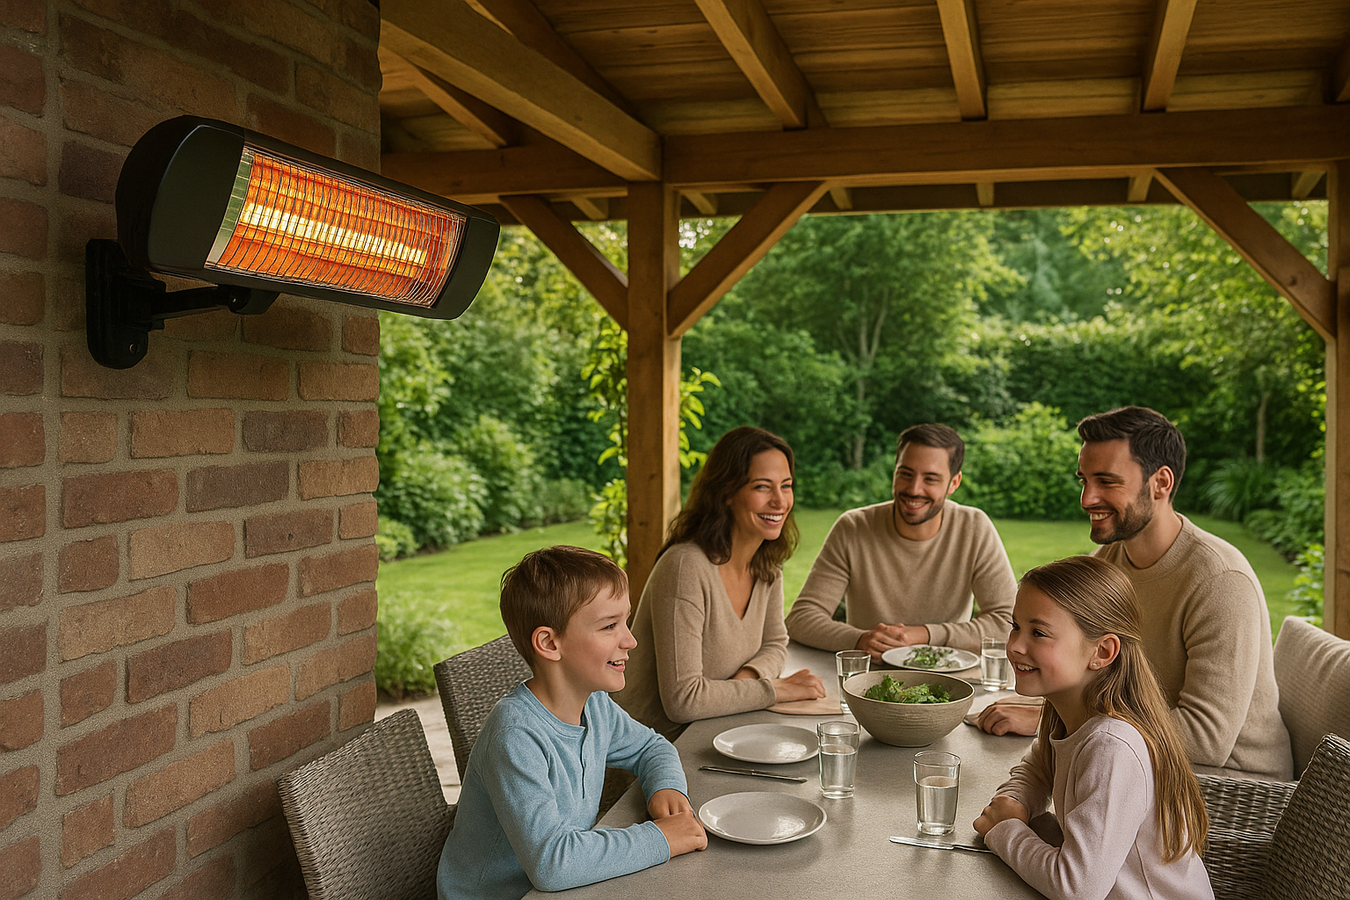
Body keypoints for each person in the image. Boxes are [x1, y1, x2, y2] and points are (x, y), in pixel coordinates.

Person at [977, 406, 1293, 780]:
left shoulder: (1220, 580)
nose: (1087, 499)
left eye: (1107, 482)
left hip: (1224, 788)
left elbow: (1207, 738)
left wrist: (1074, 721)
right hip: (1135, 757)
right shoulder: (1110, 559)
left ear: (1160, 483)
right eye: (1084, 480)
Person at [437, 546, 706, 900]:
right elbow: (554, 864)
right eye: (610, 626)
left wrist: (666, 787)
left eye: (625, 620)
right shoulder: (516, 736)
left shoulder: (594, 704)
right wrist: (661, 837)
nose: (630, 640)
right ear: (550, 643)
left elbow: (651, 747)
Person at [974, 555, 1214, 900]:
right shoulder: (1067, 711)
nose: (1015, 646)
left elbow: (1076, 887)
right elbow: (1037, 766)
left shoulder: (1111, 747)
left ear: (1102, 651)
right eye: (1015, 626)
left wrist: (1004, 829)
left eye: (1038, 632)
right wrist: (1014, 800)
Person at [615, 426, 825, 739]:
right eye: (762, 487)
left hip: (719, 730)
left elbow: (775, 644)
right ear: (726, 492)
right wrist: (772, 690)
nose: (780, 501)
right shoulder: (686, 567)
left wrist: (747, 679)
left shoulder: (767, 567)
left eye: (786, 485)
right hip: (650, 751)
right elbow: (683, 701)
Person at [785, 423, 1016, 658]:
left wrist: (924, 635)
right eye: (905, 474)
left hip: (949, 678)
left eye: (931, 479)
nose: (914, 489)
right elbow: (802, 618)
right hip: (870, 676)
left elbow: (1009, 624)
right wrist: (860, 639)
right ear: (894, 473)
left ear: (954, 483)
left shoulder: (974, 528)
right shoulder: (853, 528)